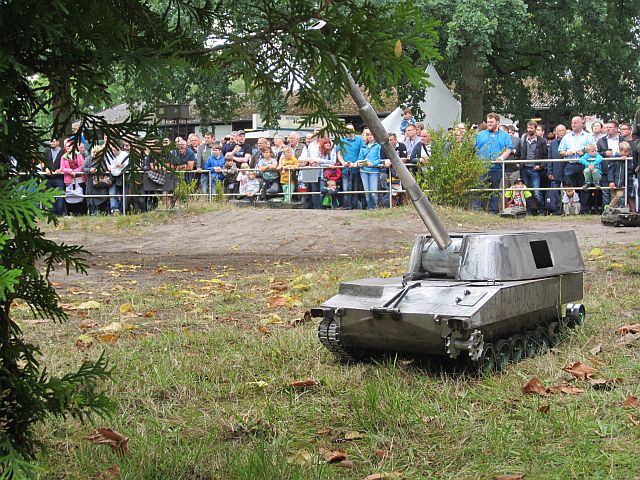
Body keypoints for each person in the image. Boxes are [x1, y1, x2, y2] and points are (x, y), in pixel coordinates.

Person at [474, 112, 513, 214]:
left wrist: (501, 158)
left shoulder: (505, 136)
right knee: (479, 188)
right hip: (481, 166)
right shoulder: (480, 135)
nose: (489, 124)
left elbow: (508, 149)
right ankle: (476, 209)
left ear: (498, 122)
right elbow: (473, 148)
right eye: (488, 122)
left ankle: (492, 211)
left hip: (496, 167)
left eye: (491, 122)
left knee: (494, 190)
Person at [559, 115, 594, 211]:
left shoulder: (588, 136)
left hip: (584, 164)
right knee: (570, 188)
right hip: (571, 164)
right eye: (572, 123)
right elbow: (560, 151)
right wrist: (566, 153)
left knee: (585, 187)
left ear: (581, 123)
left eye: (575, 122)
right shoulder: (566, 137)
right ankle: (571, 210)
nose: (573, 124)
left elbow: (594, 150)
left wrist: (585, 152)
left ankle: (585, 209)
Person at [516, 121, 547, 214]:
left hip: (535, 169)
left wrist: (540, 166)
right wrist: (518, 163)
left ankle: (541, 210)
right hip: (524, 168)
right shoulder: (523, 140)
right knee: (526, 191)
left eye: (531, 128)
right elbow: (518, 153)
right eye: (528, 128)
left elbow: (546, 156)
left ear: (535, 129)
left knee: (537, 192)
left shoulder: (541, 141)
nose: (529, 130)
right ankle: (528, 210)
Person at [336, 124, 364, 210]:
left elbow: (361, 153)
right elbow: (339, 154)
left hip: (356, 168)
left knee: (355, 189)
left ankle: (354, 207)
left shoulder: (359, 140)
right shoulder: (342, 140)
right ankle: (347, 206)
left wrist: (355, 163)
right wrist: (343, 162)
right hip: (345, 169)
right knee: (345, 188)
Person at [60, 139, 86, 215]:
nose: (68, 147)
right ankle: (71, 212)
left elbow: (82, 166)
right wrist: (70, 171)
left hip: (79, 178)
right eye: (66, 146)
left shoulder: (78, 155)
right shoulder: (63, 157)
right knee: (70, 196)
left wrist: (75, 171)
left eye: (69, 146)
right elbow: (62, 168)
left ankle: (81, 212)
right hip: (69, 179)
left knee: (80, 195)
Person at [357, 128, 382, 209]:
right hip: (363, 170)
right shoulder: (363, 146)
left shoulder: (378, 146)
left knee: (373, 191)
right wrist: (359, 163)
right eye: (368, 135)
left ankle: (376, 207)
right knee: (367, 191)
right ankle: (370, 207)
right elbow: (359, 158)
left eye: (371, 135)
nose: (370, 136)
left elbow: (380, 159)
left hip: (374, 170)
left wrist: (373, 163)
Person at [546, 124, 567, 215]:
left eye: (563, 130)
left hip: (567, 170)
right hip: (555, 170)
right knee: (555, 191)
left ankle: (567, 210)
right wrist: (549, 171)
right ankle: (557, 210)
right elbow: (550, 158)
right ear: (556, 132)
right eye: (559, 131)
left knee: (568, 190)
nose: (561, 132)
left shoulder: (568, 141)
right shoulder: (553, 143)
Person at [43, 138, 66, 216]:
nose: (51, 143)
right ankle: (52, 212)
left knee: (60, 195)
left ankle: (60, 212)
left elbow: (64, 162)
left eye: (53, 141)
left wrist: (60, 169)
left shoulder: (62, 151)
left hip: (59, 177)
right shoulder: (46, 151)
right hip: (48, 177)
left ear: (58, 142)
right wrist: (45, 168)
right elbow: (43, 161)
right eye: (50, 142)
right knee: (49, 195)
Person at [106, 141, 129, 214]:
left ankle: (122, 210)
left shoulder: (125, 155)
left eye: (114, 149)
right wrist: (116, 166)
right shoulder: (109, 155)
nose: (113, 151)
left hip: (123, 177)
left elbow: (125, 165)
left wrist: (118, 166)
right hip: (113, 177)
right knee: (112, 194)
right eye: (112, 149)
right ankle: (114, 209)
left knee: (124, 195)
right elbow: (109, 167)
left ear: (118, 148)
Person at [607, 142, 632, 209]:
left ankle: (609, 208)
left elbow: (629, 168)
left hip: (621, 183)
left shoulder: (628, 159)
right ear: (620, 150)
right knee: (613, 196)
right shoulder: (614, 158)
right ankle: (612, 212)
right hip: (614, 181)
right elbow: (610, 170)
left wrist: (625, 160)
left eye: (628, 152)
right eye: (625, 151)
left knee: (619, 195)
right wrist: (611, 181)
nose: (627, 153)